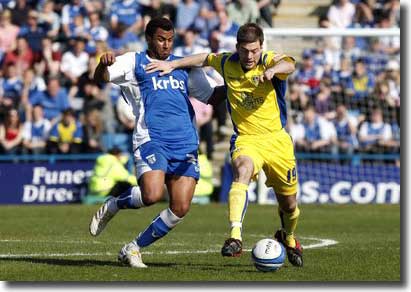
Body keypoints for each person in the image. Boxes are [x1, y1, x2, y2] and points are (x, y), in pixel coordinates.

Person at [146, 22, 303, 267]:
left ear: (261, 47)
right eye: (244, 50)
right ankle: (235, 237)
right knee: (241, 171)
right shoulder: (227, 62)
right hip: (246, 139)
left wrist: (273, 71)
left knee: (289, 204)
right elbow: (204, 59)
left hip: (277, 141)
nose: (249, 56)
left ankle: (288, 236)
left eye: (254, 50)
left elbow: (290, 64)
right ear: (237, 48)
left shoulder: (269, 61)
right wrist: (172, 64)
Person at [89, 17, 216, 268]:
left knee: (180, 207)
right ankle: (114, 203)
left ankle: (133, 248)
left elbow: (212, 96)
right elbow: (101, 77)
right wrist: (103, 65)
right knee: (152, 195)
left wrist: (239, 85)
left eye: (170, 40)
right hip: (151, 138)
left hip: (186, 143)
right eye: (161, 39)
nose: (166, 45)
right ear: (149, 38)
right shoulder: (133, 61)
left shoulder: (183, 66)